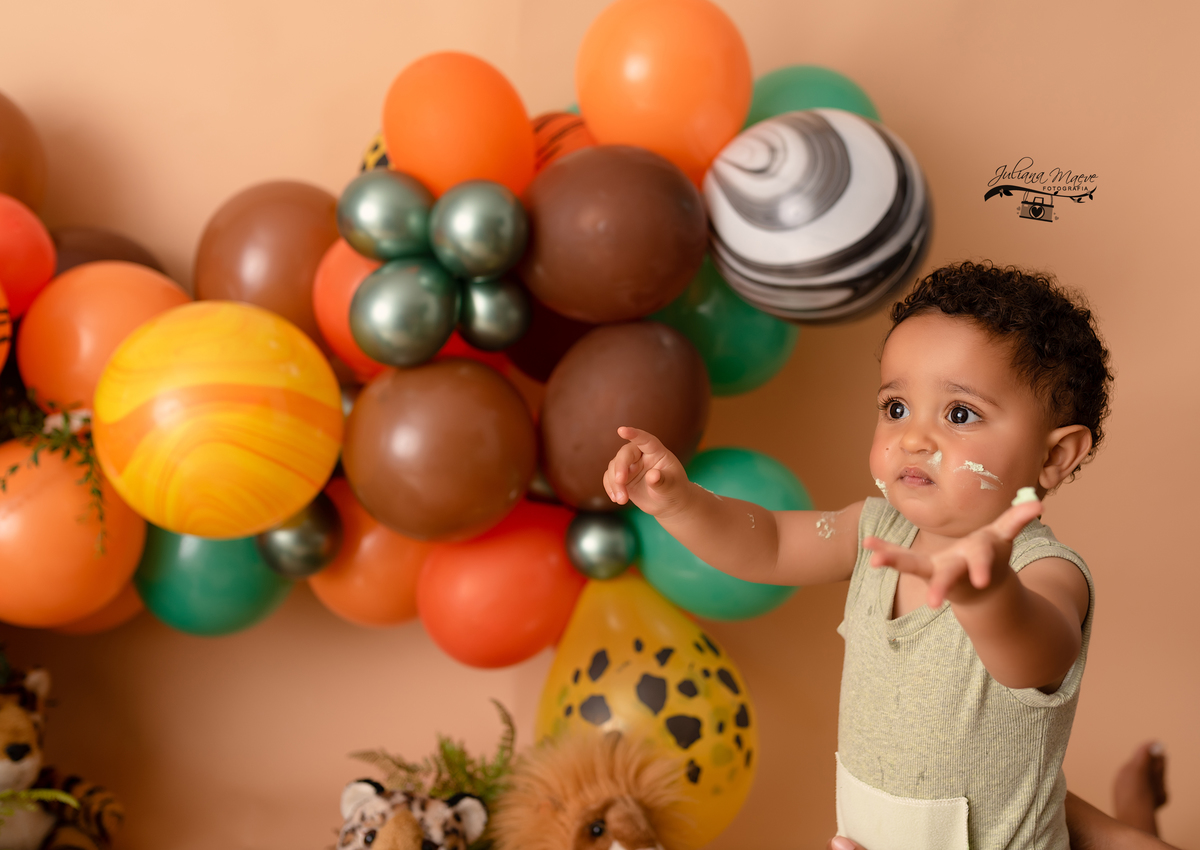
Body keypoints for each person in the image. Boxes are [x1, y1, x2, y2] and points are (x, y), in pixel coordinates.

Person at [604, 262, 1113, 850]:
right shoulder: (873, 529)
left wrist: (989, 598)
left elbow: (1037, 658)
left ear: (1055, 457)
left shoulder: (1042, 571)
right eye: (896, 408)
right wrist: (679, 502)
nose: (913, 438)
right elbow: (768, 544)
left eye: (960, 414)